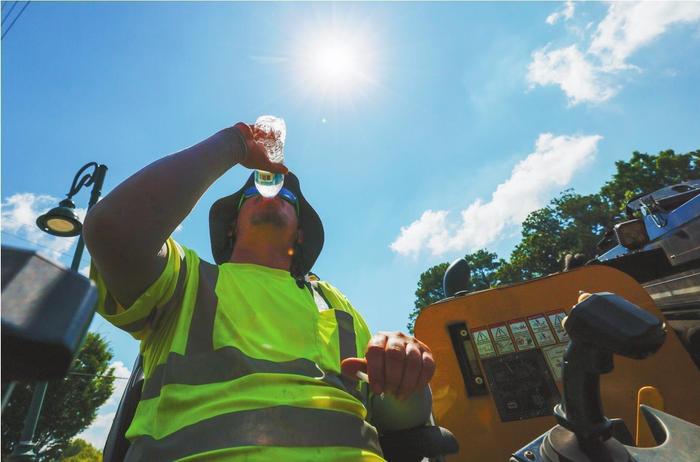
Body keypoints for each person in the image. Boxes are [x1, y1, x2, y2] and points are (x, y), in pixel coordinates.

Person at [83, 122, 436, 461]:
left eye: (289, 196)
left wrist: (405, 368)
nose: (272, 190)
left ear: (300, 232)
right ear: (232, 226)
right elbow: (112, 227)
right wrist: (232, 143)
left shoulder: (336, 304)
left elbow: (401, 421)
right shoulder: (185, 280)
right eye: (252, 192)